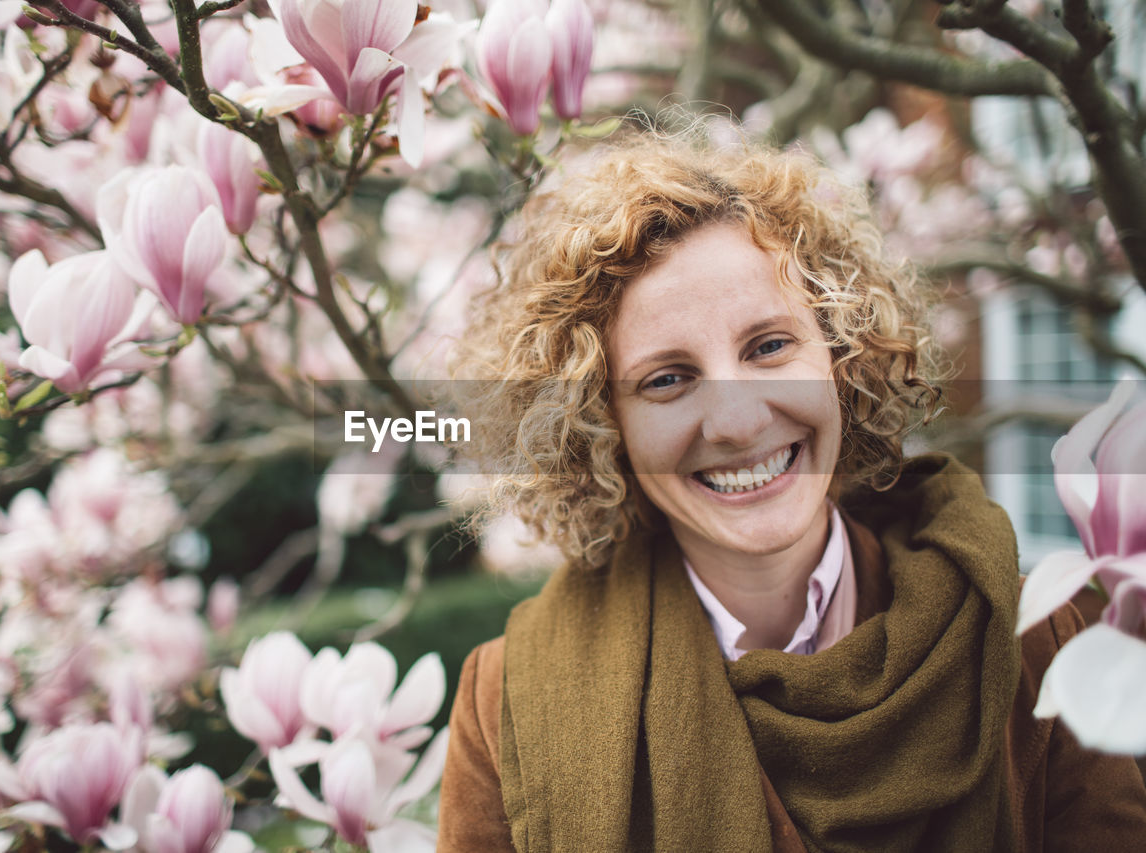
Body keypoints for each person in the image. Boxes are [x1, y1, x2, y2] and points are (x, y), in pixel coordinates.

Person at [435, 132, 1146, 852]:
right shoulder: (505, 705)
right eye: (667, 379)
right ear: (602, 426)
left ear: (841, 354)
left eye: (770, 346)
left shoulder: (1037, 642)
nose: (741, 421)